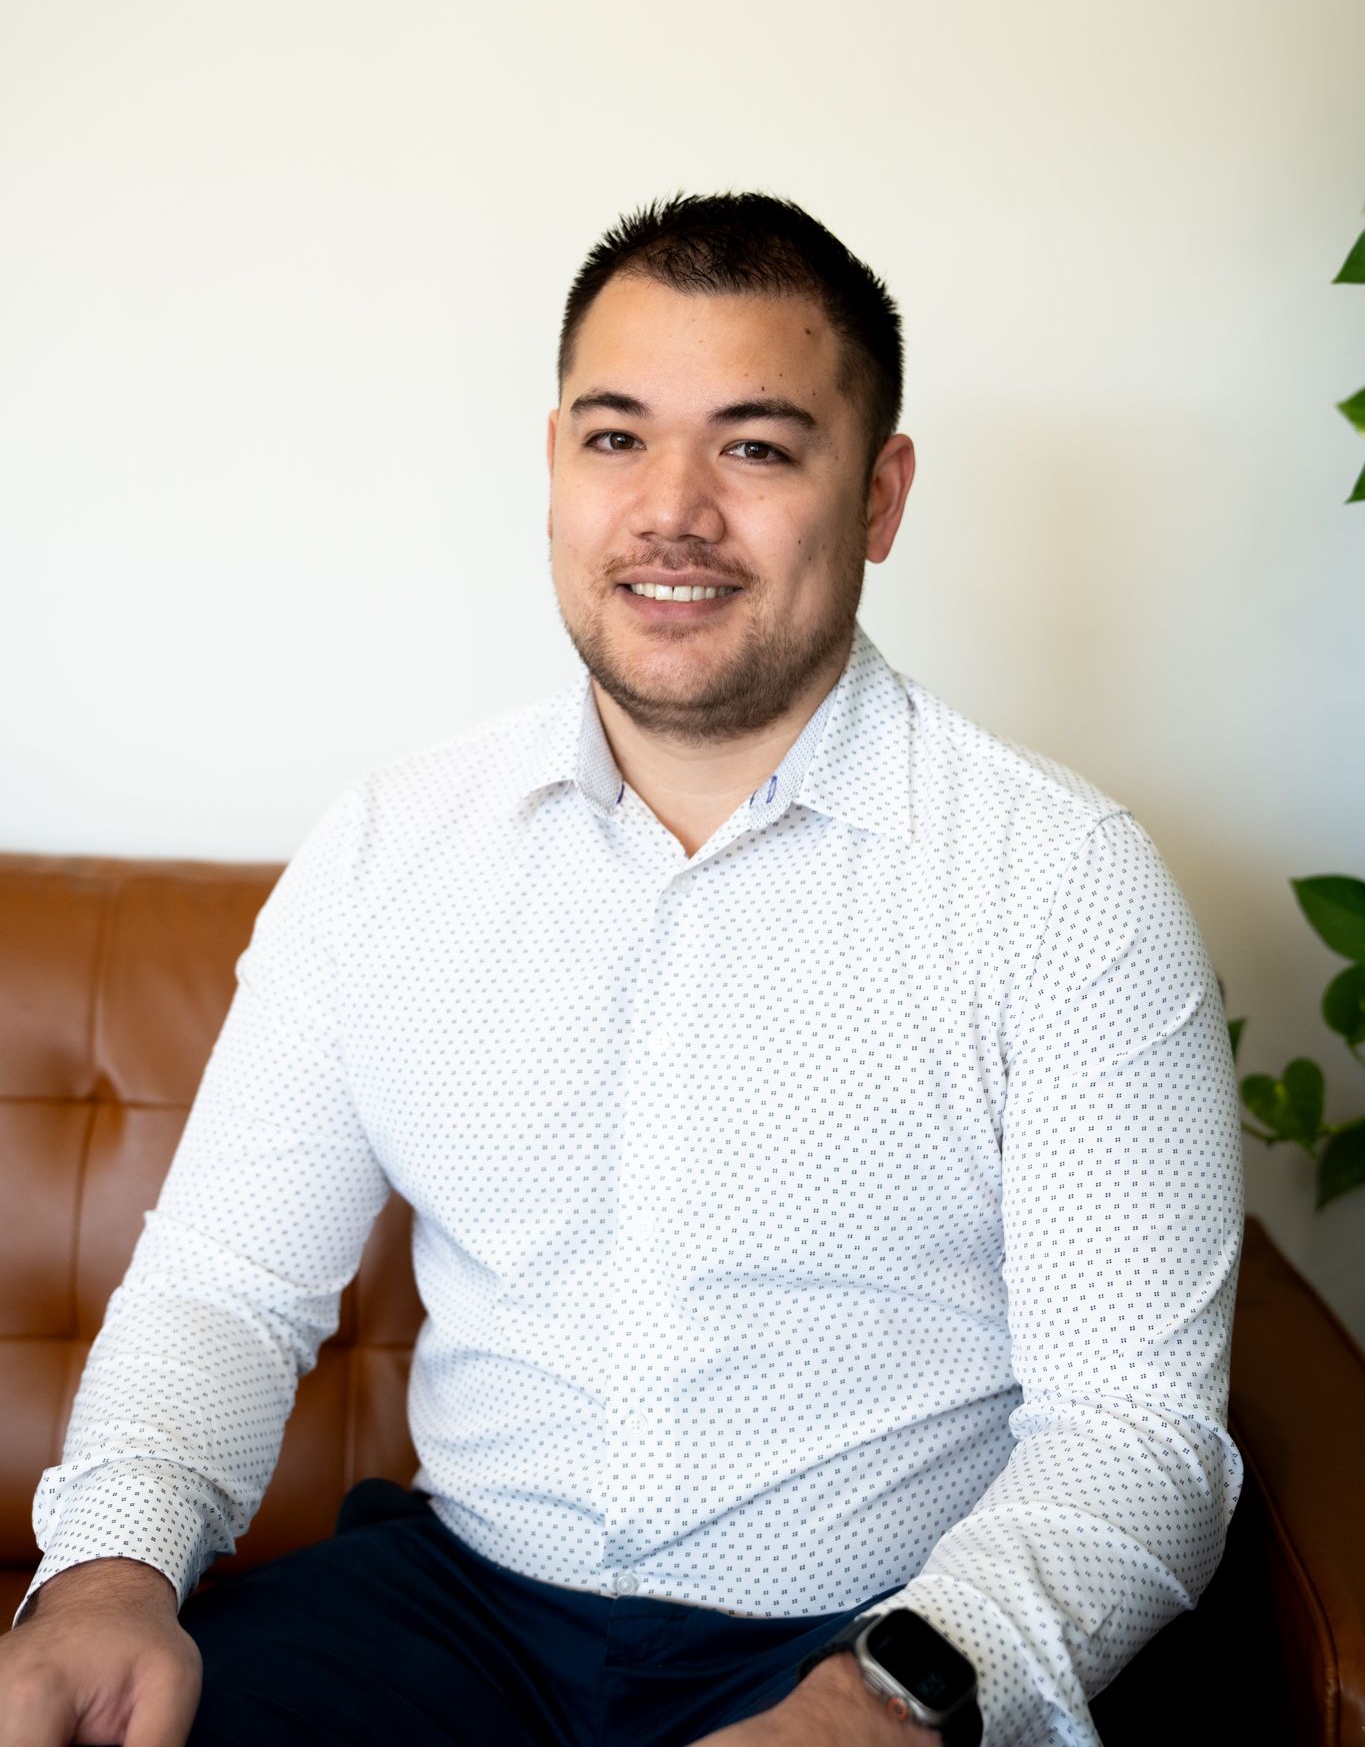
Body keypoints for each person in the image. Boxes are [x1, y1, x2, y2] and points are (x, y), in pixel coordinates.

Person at [0, 194, 1243, 1747]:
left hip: (871, 1635)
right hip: (455, 1612)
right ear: (554, 464)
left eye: (756, 446)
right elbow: (227, 1291)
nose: (671, 511)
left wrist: (885, 1701)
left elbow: (1133, 1432)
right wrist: (107, 1573)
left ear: (877, 495)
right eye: (614, 438)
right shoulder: (396, 849)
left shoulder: (1061, 885)